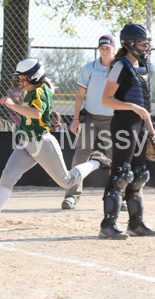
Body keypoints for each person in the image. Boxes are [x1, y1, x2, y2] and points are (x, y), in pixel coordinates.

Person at [0, 58, 112, 229]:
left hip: (42, 143)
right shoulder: (35, 89)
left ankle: (96, 161)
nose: (20, 82)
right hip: (26, 142)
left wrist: (11, 105)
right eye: (20, 78)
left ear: (35, 77)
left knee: (66, 181)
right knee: (8, 175)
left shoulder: (39, 91)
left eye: (24, 78)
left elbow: (36, 113)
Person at [98, 23, 155, 240]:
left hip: (140, 126)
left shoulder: (146, 67)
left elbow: (145, 108)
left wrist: (153, 133)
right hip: (124, 124)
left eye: (147, 43)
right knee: (121, 174)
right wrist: (132, 107)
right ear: (131, 43)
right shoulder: (120, 66)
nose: (146, 47)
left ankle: (136, 224)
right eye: (143, 43)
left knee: (140, 174)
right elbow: (107, 100)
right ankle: (108, 225)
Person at [62, 35, 116, 210]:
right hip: (90, 116)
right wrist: (75, 119)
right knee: (80, 155)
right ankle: (71, 196)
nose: (104, 51)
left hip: (112, 119)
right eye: (101, 48)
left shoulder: (120, 69)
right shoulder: (89, 68)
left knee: (116, 156)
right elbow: (80, 96)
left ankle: (118, 196)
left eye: (107, 48)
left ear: (114, 49)